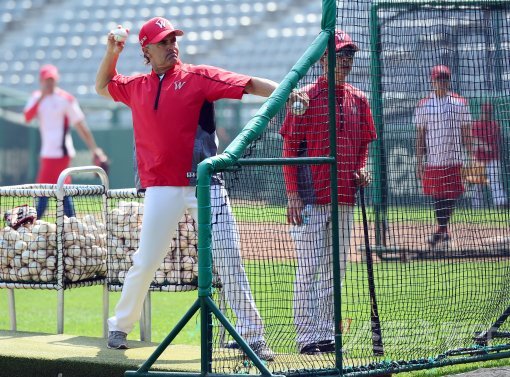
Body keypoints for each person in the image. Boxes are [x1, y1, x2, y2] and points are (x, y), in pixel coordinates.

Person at [95, 17, 305, 359]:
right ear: (146, 49)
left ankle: (253, 336)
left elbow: (249, 84)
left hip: (205, 184)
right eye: (163, 41)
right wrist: (111, 52)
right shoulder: (136, 86)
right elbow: (102, 85)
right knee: (146, 261)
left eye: (173, 39)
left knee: (229, 259)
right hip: (161, 187)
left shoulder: (197, 76)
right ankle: (119, 326)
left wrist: (286, 91)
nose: (171, 45)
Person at [280, 30, 377, 355]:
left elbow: (364, 148)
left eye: (349, 55)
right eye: (339, 54)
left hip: (345, 198)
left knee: (335, 271)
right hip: (309, 198)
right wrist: (293, 194)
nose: (345, 60)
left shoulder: (360, 99)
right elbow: (289, 149)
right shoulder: (304, 99)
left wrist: (364, 169)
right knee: (308, 269)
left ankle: (327, 335)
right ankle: (307, 338)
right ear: (323, 59)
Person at [23, 64, 108, 218]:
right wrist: (41, 97)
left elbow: (81, 125)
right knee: (56, 190)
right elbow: (27, 117)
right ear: (41, 81)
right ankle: (70, 223)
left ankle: (39, 224)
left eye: (52, 79)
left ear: (56, 80)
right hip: (47, 153)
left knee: (49, 190)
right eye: (46, 80)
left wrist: (94, 149)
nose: (49, 83)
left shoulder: (65, 99)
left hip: (62, 153)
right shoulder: (36, 97)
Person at [414, 65, 472, 249]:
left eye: (445, 78)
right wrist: (419, 161)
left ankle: (442, 231)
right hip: (434, 159)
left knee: (451, 196)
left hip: (454, 158)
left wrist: (471, 157)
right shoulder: (424, 104)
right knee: (438, 196)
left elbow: (466, 133)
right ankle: (443, 231)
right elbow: (421, 135)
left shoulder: (459, 102)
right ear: (432, 80)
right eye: (439, 79)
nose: (442, 82)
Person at [470, 102, 508, 208]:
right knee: (477, 185)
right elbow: (474, 140)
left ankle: (501, 204)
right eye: (486, 112)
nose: (487, 114)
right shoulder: (476, 124)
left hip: (492, 159)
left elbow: (497, 142)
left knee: (495, 182)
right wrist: (484, 146)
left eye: (489, 112)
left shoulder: (494, 125)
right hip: (479, 159)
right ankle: (476, 207)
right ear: (482, 111)